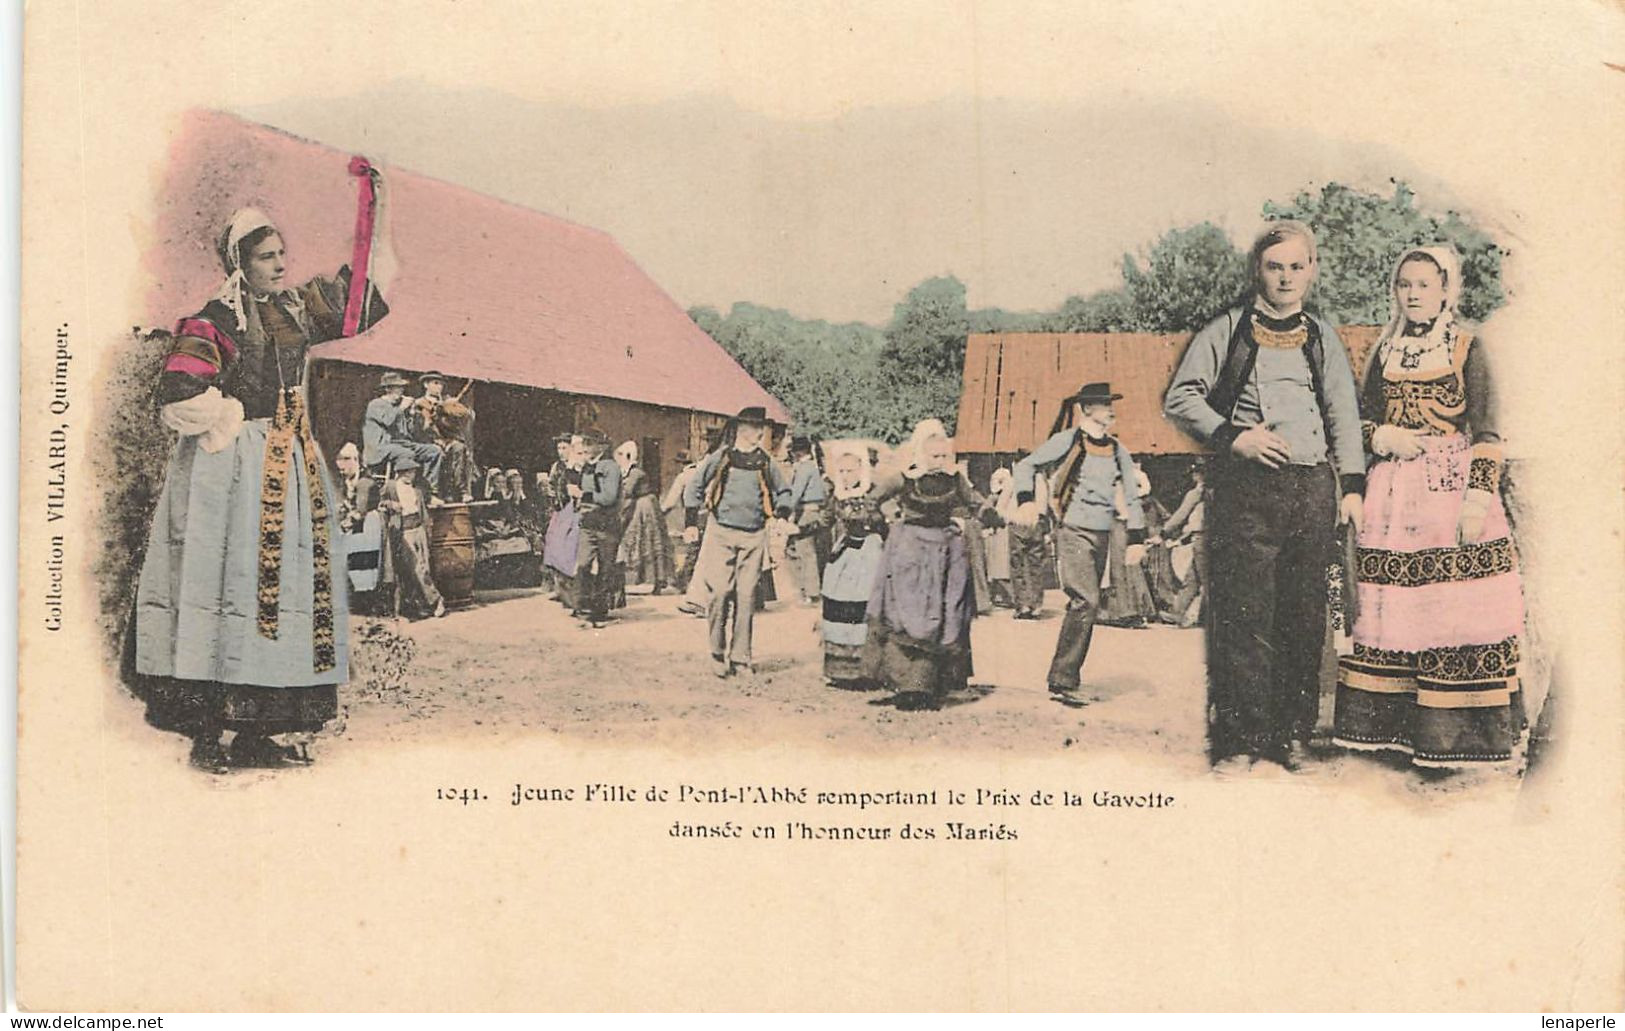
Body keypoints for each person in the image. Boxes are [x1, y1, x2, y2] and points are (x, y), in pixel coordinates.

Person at [130, 197, 390, 772]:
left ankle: (259, 732)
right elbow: (177, 392)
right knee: (227, 583)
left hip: (289, 465)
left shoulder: (295, 310)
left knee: (281, 593)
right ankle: (206, 732)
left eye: (282, 255)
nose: (279, 265)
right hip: (232, 474)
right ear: (239, 263)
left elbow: (360, 300)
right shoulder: (215, 320)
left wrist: (374, 210)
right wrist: (228, 423)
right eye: (266, 257)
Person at [1164, 219, 1366, 772]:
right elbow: (1182, 397)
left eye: (1297, 267)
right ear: (1259, 269)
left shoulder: (1322, 337)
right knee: (1244, 617)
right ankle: (1240, 743)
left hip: (1311, 491)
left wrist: (1350, 487)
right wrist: (1235, 436)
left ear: (1312, 271)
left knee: (1303, 620)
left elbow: (1343, 416)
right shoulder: (1226, 330)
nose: (1285, 278)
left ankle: (1290, 737)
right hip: (1245, 493)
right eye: (1275, 266)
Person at [1333, 246, 1525, 770]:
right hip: (1392, 495)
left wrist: (1476, 501)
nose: (1413, 294)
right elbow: (1360, 423)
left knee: (1452, 611)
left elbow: (1487, 431)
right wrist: (1383, 436)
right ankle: (1392, 733)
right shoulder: (1384, 350)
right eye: (1404, 285)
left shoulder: (1467, 347)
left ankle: (1457, 737)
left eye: (1424, 285)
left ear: (1445, 290)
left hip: (1451, 491)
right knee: (1392, 608)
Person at [1012, 383, 1146, 701]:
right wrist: (1026, 500)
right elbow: (1027, 465)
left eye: (1111, 404)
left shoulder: (1117, 449)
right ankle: (1062, 679)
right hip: (1073, 531)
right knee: (1087, 601)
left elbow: (1131, 492)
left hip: (1103, 534)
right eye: (1104, 405)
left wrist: (1136, 537)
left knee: (1087, 603)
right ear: (1086, 410)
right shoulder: (1068, 441)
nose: (1111, 410)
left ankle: (1065, 675)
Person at [862, 419, 1000, 709]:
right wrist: (882, 522)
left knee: (944, 615)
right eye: (934, 456)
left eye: (944, 456)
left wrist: (990, 515)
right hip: (910, 551)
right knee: (909, 616)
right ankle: (905, 684)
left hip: (946, 552)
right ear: (920, 454)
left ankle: (930, 686)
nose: (939, 462)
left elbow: (976, 501)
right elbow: (872, 499)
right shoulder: (906, 478)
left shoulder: (955, 479)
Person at [682, 407, 792, 677]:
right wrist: (690, 523)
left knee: (746, 597)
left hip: (754, 536)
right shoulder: (722, 457)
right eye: (756, 428)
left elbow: (784, 491)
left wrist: (782, 512)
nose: (760, 433)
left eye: (761, 429)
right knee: (719, 593)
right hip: (720, 533)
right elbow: (694, 487)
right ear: (743, 429)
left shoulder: (765, 462)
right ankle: (717, 653)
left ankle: (741, 658)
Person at [817, 442, 890, 687]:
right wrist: (797, 527)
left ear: (862, 469)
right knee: (840, 608)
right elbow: (824, 520)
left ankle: (869, 671)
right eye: (842, 471)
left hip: (871, 554)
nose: (846, 476)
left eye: (850, 470)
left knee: (866, 609)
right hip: (845, 555)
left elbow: (889, 522)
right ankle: (841, 671)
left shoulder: (876, 493)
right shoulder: (837, 496)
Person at [572, 430, 622, 627]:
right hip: (588, 524)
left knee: (605, 568)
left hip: (607, 526)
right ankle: (582, 608)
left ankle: (600, 611)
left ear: (601, 446)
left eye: (589, 443)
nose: (585, 447)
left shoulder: (611, 468)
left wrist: (583, 495)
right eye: (584, 443)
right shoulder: (586, 467)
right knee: (583, 565)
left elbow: (609, 498)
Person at [1099, 466, 1160, 629]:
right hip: (1118, 528)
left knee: (1120, 570)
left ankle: (1124, 611)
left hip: (1120, 529)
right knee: (1119, 570)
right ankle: (1121, 611)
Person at [363, 370, 443, 492]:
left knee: (434, 451)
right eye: (398, 388)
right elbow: (388, 421)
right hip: (380, 447)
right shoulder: (376, 404)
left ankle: (430, 491)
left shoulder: (397, 406)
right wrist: (402, 408)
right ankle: (402, 492)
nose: (402, 391)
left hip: (400, 444)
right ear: (388, 389)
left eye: (402, 388)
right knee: (406, 454)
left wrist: (411, 415)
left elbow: (408, 433)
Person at [614, 441, 674, 593]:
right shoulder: (627, 472)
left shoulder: (636, 473)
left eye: (621, 456)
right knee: (638, 540)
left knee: (646, 540)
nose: (618, 459)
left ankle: (653, 580)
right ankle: (640, 580)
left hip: (643, 507)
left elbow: (627, 493)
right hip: (637, 505)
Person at [410, 371, 476, 502]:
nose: (439, 387)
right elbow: (418, 429)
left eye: (441, 384)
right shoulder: (419, 403)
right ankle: (433, 493)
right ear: (425, 385)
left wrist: (448, 406)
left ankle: (461, 491)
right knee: (437, 451)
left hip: (448, 440)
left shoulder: (447, 401)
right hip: (427, 441)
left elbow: (467, 414)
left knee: (459, 448)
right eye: (435, 383)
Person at [1159, 464, 1207, 627]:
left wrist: (1164, 532)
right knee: (1192, 578)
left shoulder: (1197, 493)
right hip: (1206, 537)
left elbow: (1181, 515)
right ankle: (1177, 612)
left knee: (1206, 580)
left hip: (1202, 538)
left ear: (1198, 475)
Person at [783, 435, 828, 605]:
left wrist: (786, 512)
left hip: (806, 512)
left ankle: (811, 592)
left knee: (805, 551)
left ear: (799, 452)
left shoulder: (804, 468)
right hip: (812, 511)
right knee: (797, 550)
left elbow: (796, 492)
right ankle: (807, 590)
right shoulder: (812, 467)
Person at [543, 434, 585, 612]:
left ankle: (570, 592)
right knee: (552, 545)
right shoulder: (557, 466)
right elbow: (553, 485)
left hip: (573, 510)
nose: (561, 452)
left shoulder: (577, 465)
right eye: (558, 448)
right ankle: (557, 588)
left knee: (567, 548)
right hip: (560, 510)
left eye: (564, 448)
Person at [983, 468, 1017, 608]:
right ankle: (1003, 595)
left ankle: (1008, 596)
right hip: (1006, 529)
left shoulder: (997, 496)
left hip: (1001, 530)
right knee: (1002, 565)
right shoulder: (1013, 492)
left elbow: (988, 512)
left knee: (999, 565)